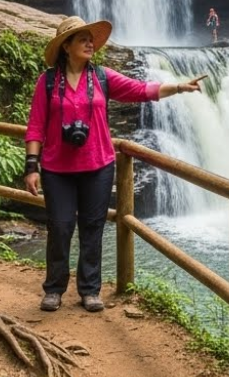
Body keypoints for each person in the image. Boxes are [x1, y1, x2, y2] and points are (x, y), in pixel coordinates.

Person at [23, 16, 203, 313]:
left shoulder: (102, 77)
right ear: (66, 46)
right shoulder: (48, 82)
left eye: (90, 39)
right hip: (57, 170)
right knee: (60, 227)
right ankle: (54, 288)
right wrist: (32, 166)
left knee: (93, 228)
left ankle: (90, 290)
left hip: (98, 166)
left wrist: (180, 87)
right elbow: (35, 127)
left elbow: (141, 90)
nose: (90, 43)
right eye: (82, 39)